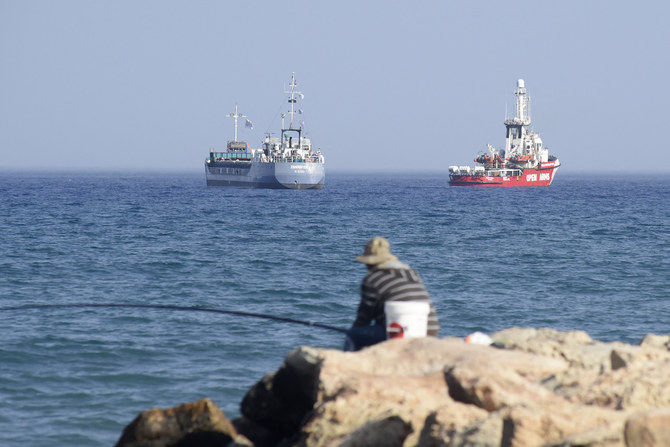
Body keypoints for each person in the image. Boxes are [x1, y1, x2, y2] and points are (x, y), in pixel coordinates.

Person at [344, 237, 440, 351]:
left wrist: (353, 331)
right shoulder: (412, 273)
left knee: (354, 335)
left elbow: (364, 318)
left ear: (369, 262)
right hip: (429, 330)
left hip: (396, 333)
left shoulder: (372, 279)